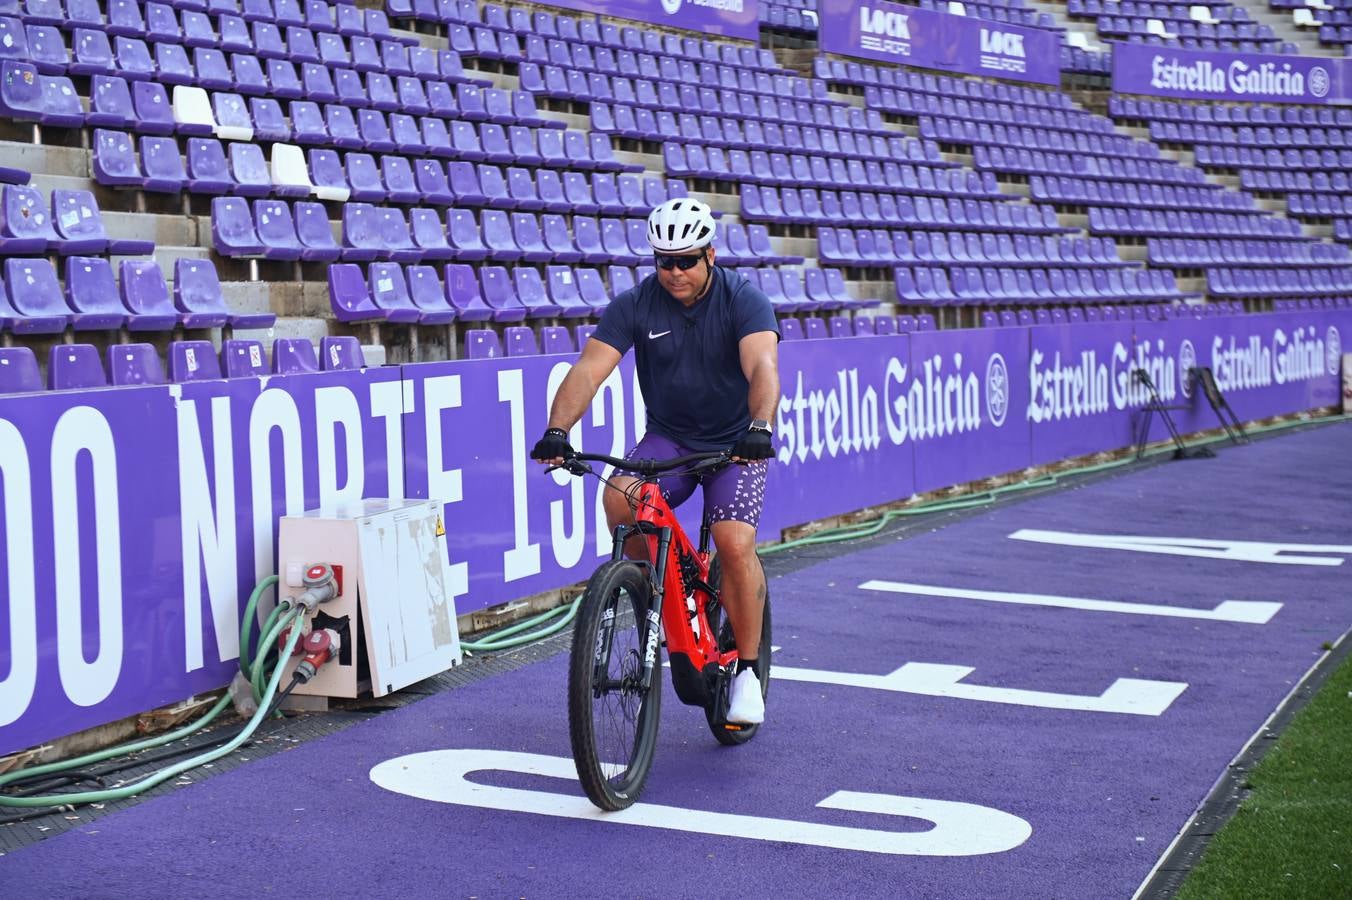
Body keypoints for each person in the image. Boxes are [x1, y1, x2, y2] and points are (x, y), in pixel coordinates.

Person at [530, 198, 781, 725]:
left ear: (710, 254)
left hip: (736, 443)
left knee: (735, 543)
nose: (674, 272)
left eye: (686, 260)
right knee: (619, 500)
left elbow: (762, 365)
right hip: (670, 439)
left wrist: (759, 426)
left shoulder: (744, 299)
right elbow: (588, 371)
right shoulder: (636, 304)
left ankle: (748, 673)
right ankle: (663, 594)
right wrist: (558, 430)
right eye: (664, 261)